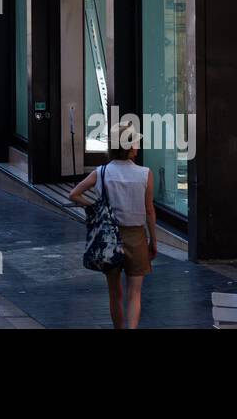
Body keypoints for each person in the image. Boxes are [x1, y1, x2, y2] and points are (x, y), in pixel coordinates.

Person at [67, 128, 156, 329]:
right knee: (135, 292)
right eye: (136, 143)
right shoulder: (145, 174)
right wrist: (153, 240)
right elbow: (149, 211)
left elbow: (73, 194)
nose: (138, 147)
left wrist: (94, 207)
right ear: (129, 146)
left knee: (115, 293)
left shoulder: (102, 172)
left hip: (108, 238)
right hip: (136, 236)